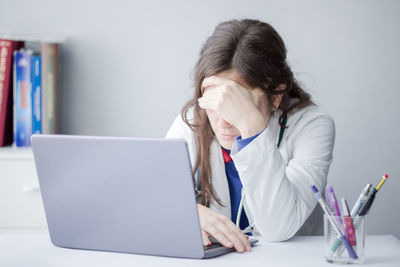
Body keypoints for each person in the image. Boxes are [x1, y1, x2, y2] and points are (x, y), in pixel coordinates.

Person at [165, 19, 335, 253]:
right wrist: (189, 212)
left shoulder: (312, 125)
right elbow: (150, 196)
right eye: (216, 101)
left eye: (237, 104)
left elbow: (278, 228)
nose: (223, 121)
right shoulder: (194, 119)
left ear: (275, 96)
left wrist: (252, 127)